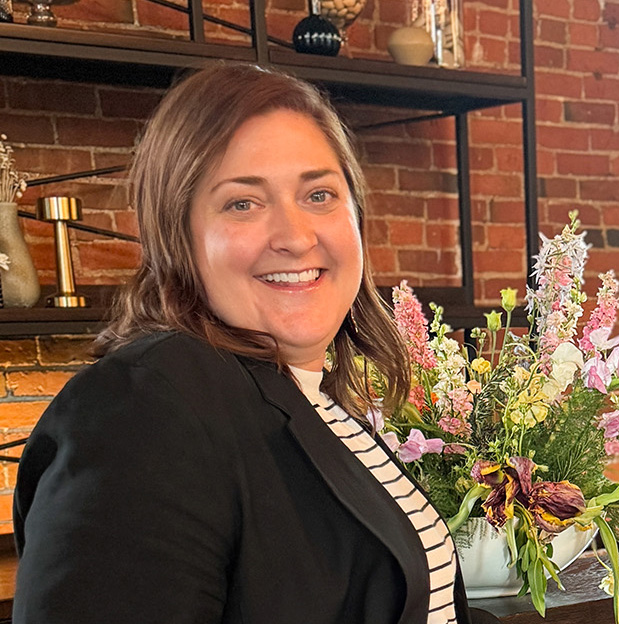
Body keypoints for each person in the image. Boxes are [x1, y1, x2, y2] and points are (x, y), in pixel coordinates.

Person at [13, 63, 494, 624]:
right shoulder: (146, 407)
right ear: (178, 237)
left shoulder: (310, 398)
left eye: (319, 194)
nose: (294, 236)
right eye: (243, 203)